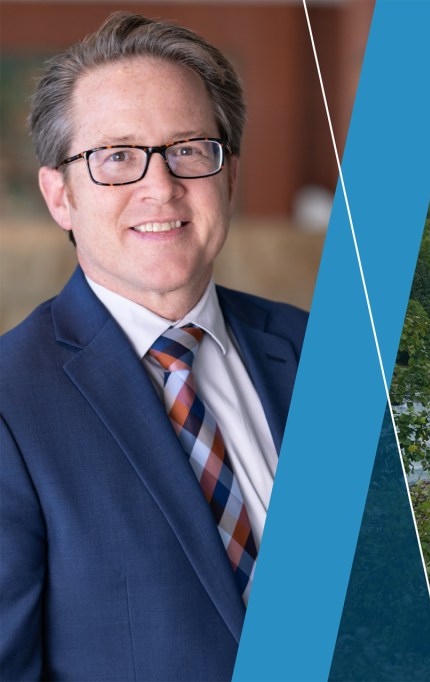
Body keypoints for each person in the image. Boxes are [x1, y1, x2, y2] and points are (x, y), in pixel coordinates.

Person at [0, 13, 307, 680]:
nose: (160, 186)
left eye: (189, 149)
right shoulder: (10, 404)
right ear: (60, 196)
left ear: (228, 175)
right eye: (116, 157)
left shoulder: (321, 348)